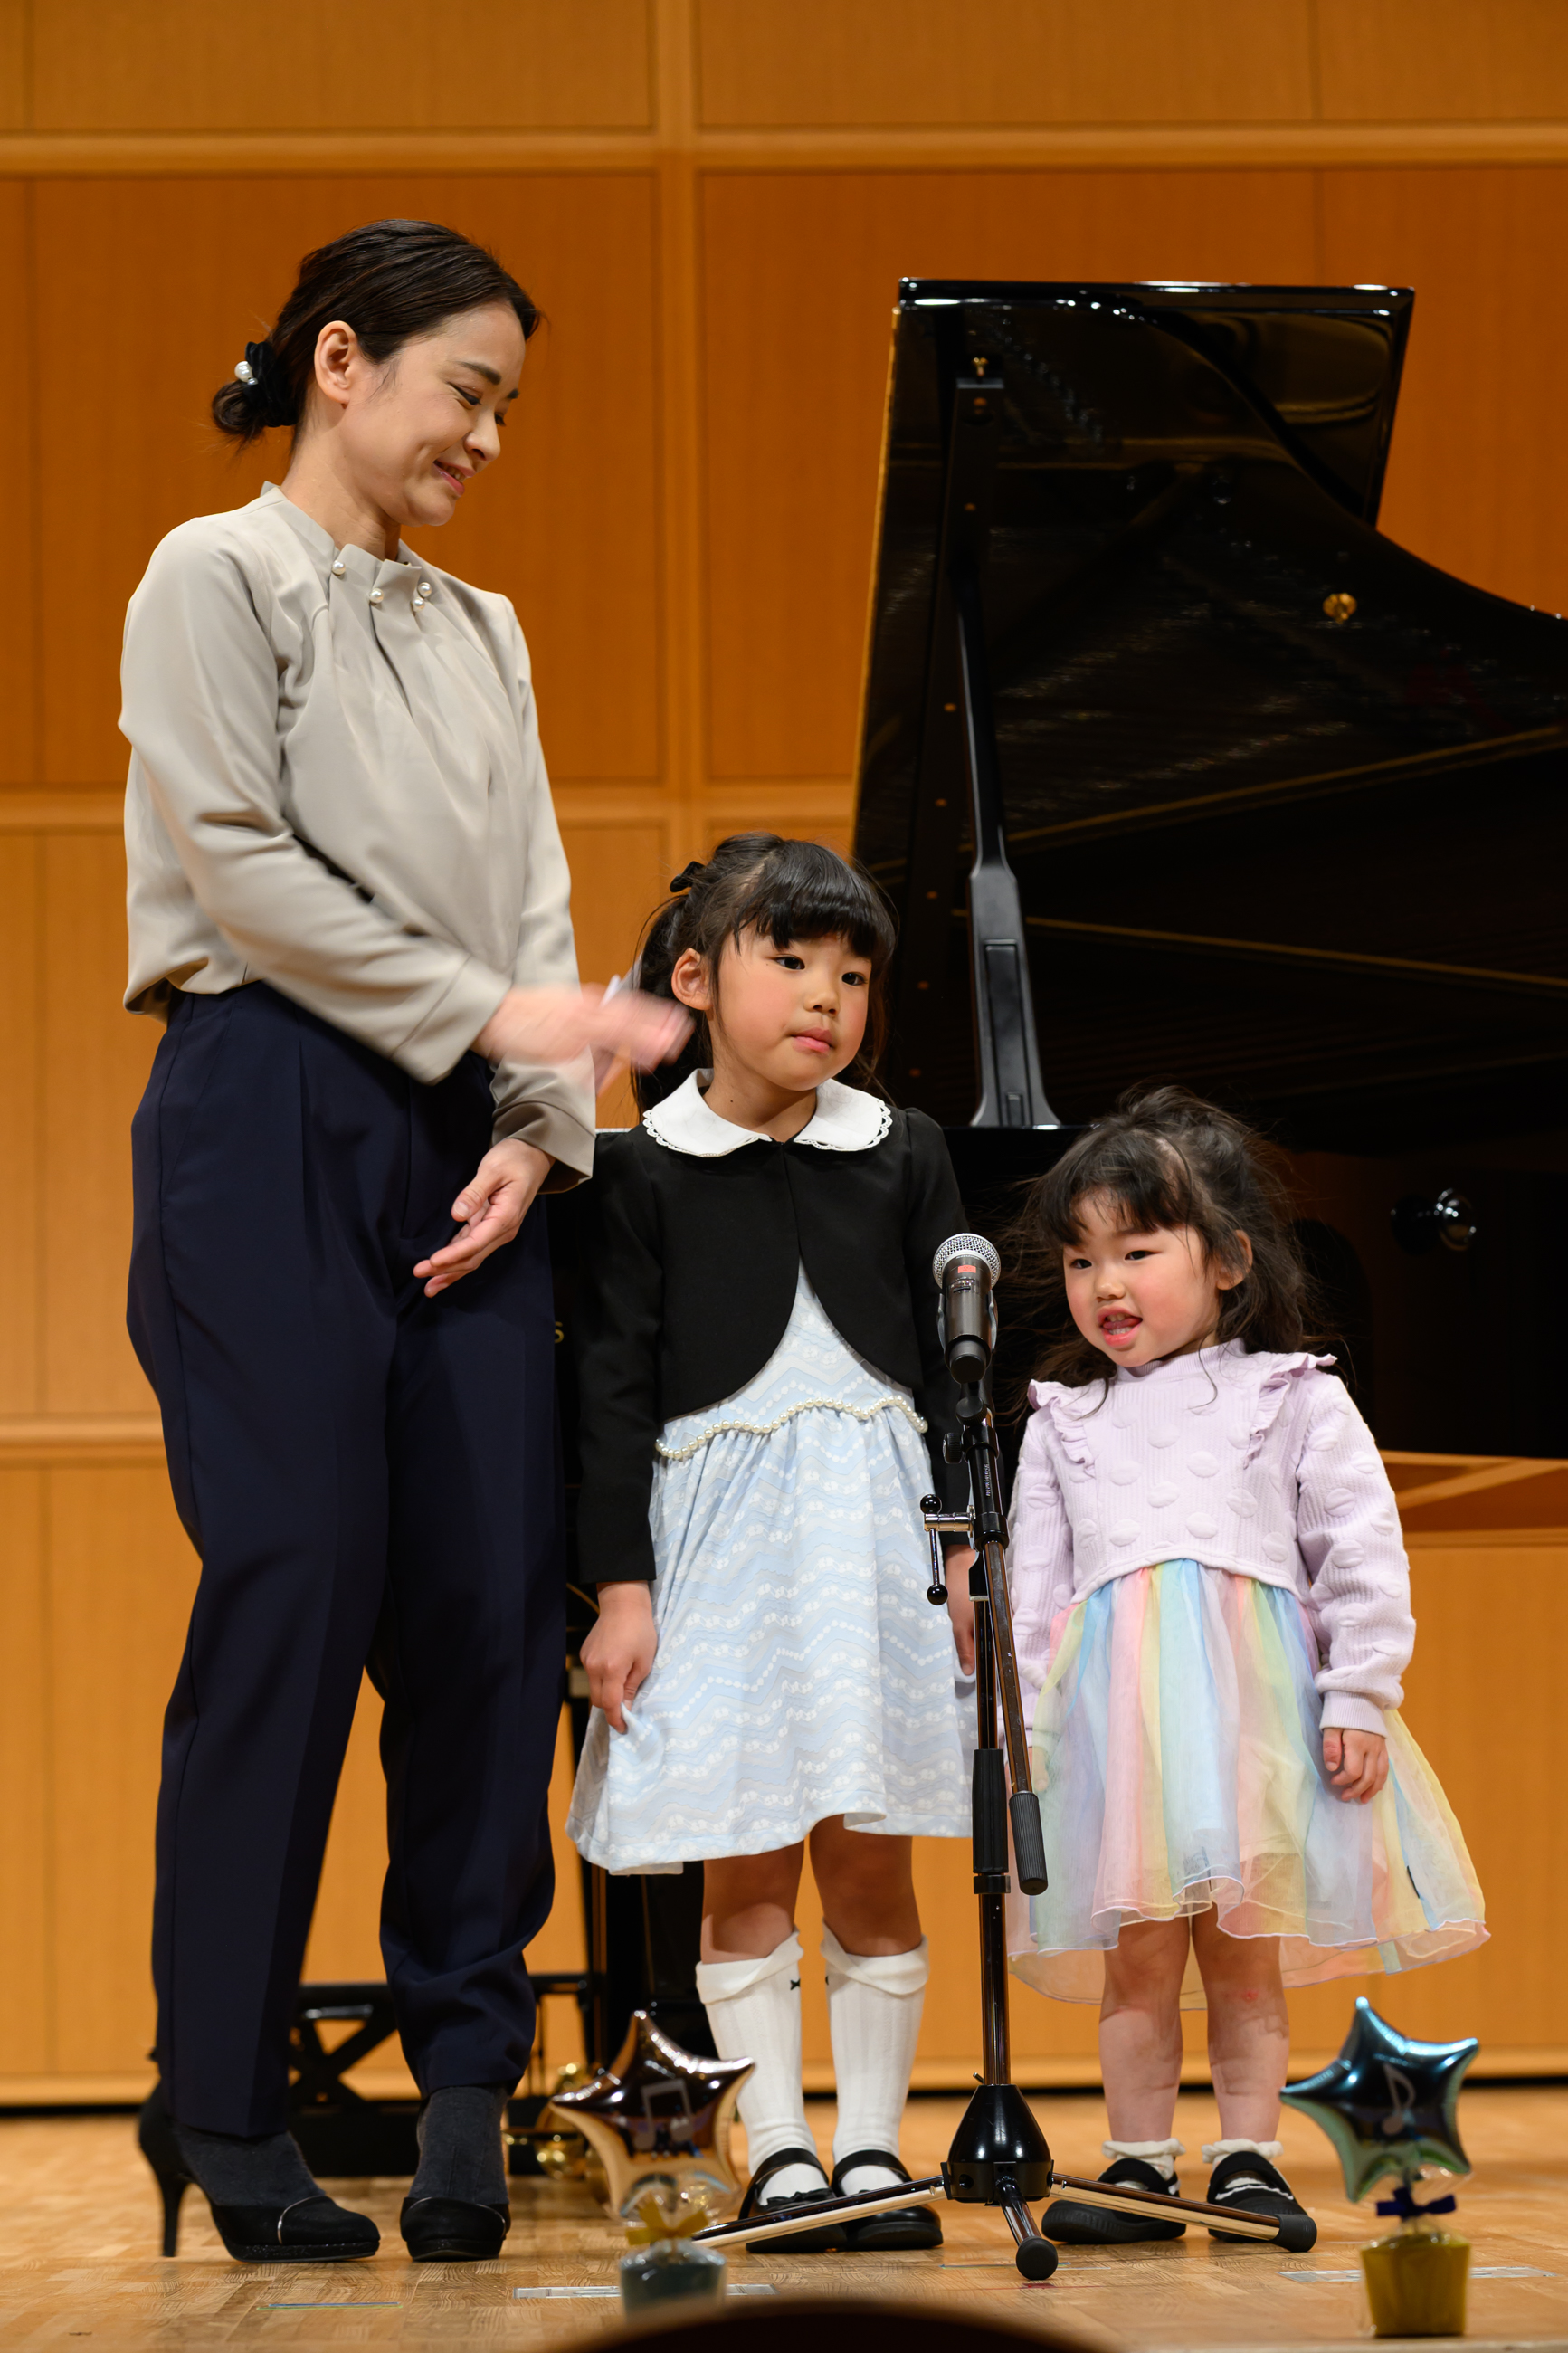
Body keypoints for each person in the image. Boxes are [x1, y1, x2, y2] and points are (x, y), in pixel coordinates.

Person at [121, 218, 685, 2268]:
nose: (488, 439)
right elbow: (237, 870)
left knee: (483, 1616)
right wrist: (497, 1021)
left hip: (469, 1131)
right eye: (468, 391)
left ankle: (465, 2075)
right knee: (295, 1587)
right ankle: (217, 2092)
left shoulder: (485, 626)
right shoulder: (213, 571)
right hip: (266, 1107)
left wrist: (539, 1131)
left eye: (508, 407)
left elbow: (532, 893)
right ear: (340, 362)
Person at [565, 834, 974, 2252]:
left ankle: (872, 2150)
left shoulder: (903, 1149)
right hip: (720, 1548)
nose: (825, 997)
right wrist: (622, 1590)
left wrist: (965, 1549)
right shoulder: (638, 1169)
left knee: (870, 1857)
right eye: (790, 961)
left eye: (852, 975)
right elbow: (608, 1393)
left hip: (874, 1543)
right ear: (693, 980)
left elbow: (954, 1379)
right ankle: (780, 2148)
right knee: (744, 1860)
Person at [1003, 1085, 1487, 2246]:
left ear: (1224, 1260)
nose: (1104, 1283)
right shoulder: (1060, 1417)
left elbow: (1358, 1552)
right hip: (1116, 1742)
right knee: (1135, 1961)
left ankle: (1247, 2161)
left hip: (1252, 1731)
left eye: (1135, 1250)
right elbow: (1032, 1592)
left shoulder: (1293, 1393)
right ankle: (1135, 2161)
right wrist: (1024, 1733)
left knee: (1241, 1954)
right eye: (1079, 1259)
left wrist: (1357, 1691)